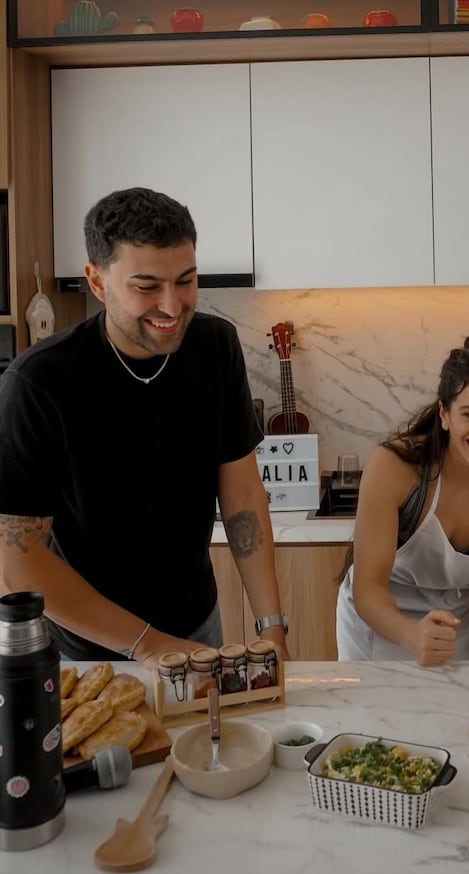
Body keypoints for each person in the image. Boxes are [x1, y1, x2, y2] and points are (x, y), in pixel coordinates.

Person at [0, 187, 289, 667]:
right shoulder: (39, 381)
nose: (172, 307)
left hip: (197, 626)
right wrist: (150, 645)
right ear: (97, 282)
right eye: (147, 286)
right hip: (88, 649)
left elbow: (240, 493)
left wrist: (272, 625)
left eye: (186, 281)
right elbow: (16, 561)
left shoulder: (215, 346)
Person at [336, 333, 469, 666]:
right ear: (444, 414)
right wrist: (412, 635)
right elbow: (368, 589)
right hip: (379, 624)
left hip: (458, 622)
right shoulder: (394, 467)